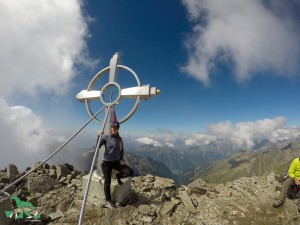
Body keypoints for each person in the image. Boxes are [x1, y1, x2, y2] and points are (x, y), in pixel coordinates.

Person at [97, 121, 134, 209]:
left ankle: (118, 176)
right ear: (111, 128)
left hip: (116, 161)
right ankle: (108, 200)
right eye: (113, 127)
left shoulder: (120, 139)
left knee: (130, 172)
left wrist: (121, 159)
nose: (114, 129)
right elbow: (97, 146)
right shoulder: (105, 137)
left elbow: (121, 150)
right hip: (106, 163)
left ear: (118, 128)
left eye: (116, 127)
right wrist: (99, 136)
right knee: (107, 182)